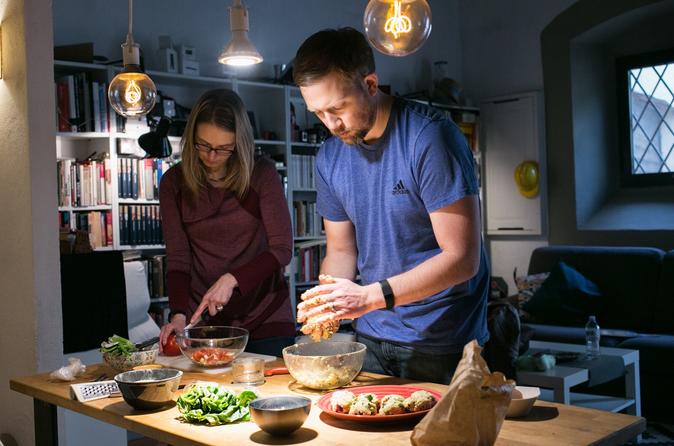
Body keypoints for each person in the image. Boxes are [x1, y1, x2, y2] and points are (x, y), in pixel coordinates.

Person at [294, 28, 490, 384]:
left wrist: (370, 296)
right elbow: (340, 250)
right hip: (372, 336)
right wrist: (328, 307)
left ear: (370, 84)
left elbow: (463, 258)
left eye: (338, 108)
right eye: (318, 112)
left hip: (441, 337)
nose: (330, 124)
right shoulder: (330, 157)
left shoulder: (429, 137)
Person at [158, 89, 295, 357]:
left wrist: (232, 279)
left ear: (239, 144)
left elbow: (282, 249)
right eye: (203, 145)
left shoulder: (262, 175)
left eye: (222, 148)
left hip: (267, 319)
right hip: (208, 324)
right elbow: (178, 257)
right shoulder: (173, 183)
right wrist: (178, 314)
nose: (211, 156)